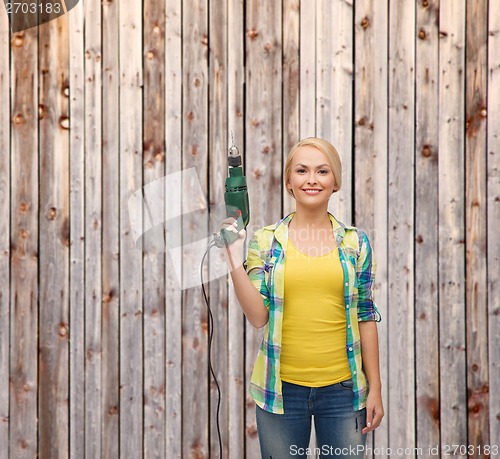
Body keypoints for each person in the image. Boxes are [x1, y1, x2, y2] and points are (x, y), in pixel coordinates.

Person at [221, 137, 383, 458]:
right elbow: (258, 316)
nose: (312, 179)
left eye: (322, 171)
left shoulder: (356, 243)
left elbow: (365, 315)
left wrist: (375, 386)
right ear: (289, 182)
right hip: (281, 391)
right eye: (302, 170)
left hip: (343, 392)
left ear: (335, 181)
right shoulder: (265, 242)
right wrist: (233, 256)